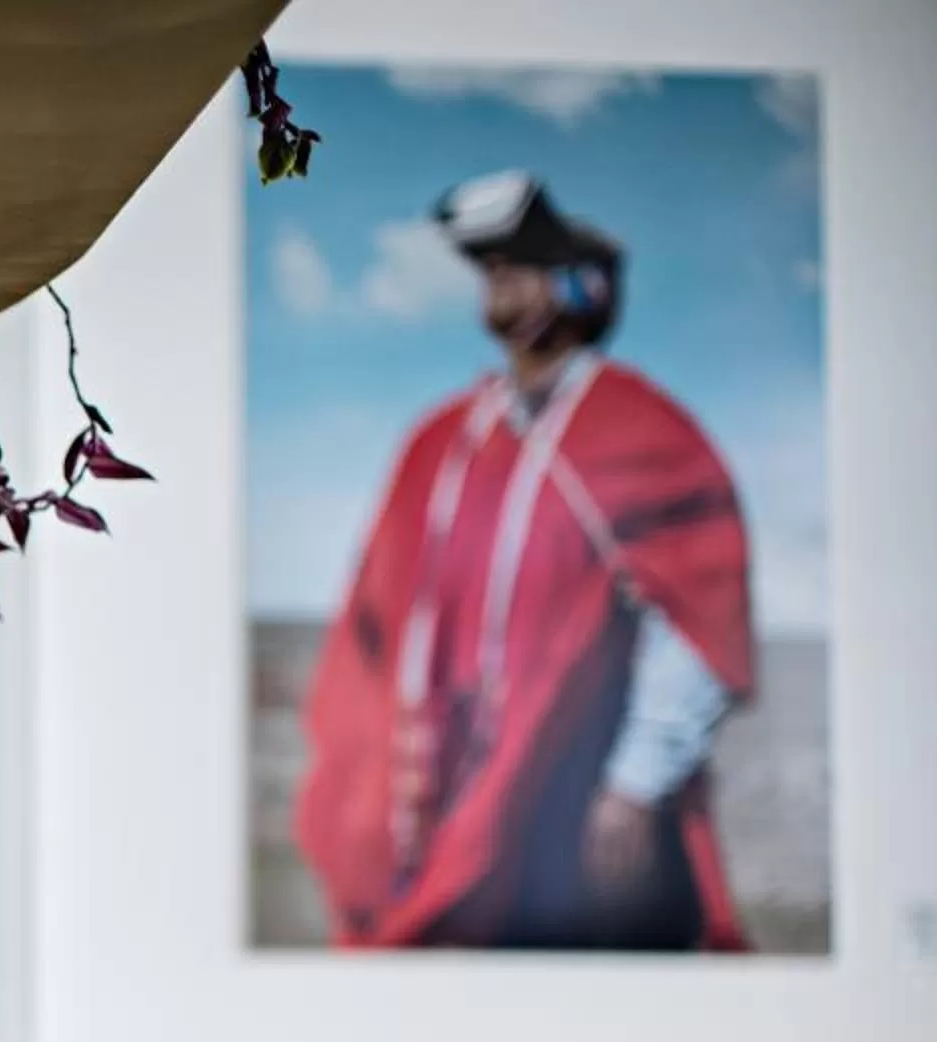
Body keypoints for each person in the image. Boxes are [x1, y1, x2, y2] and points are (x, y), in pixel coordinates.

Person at [293, 171, 758, 951]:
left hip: (571, 797)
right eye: (491, 268)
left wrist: (635, 782)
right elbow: (378, 617)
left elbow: (696, 616)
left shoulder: (637, 427)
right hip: (445, 788)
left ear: (580, 289)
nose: (500, 280)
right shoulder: (444, 440)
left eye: (524, 264)